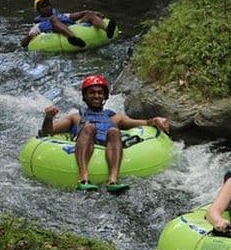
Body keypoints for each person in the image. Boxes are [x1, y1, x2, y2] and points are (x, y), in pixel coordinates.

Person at [39, 74, 171, 193]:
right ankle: (83, 178)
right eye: (92, 93)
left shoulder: (115, 118)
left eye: (100, 93)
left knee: (114, 131)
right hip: (84, 144)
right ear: (85, 96)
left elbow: (143, 123)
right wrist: (49, 117)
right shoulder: (75, 117)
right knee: (88, 128)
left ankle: (113, 180)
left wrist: (155, 120)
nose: (96, 96)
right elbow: (48, 131)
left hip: (107, 146)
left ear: (105, 96)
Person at [21, 0, 117, 49]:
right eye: (43, 6)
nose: (47, 7)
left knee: (88, 13)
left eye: (48, 4)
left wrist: (95, 13)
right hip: (60, 35)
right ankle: (73, 38)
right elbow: (25, 42)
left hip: (75, 28)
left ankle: (107, 30)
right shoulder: (38, 25)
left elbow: (80, 14)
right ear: (38, 10)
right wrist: (28, 38)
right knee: (53, 19)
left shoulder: (62, 15)